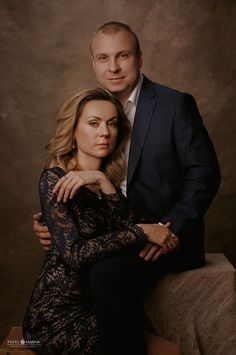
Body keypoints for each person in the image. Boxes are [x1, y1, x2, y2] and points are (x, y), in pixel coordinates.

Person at [33, 21, 221, 353]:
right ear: (93, 63)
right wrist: (54, 217)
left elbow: (204, 175)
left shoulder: (174, 105)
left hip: (166, 235)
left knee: (105, 273)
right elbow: (76, 183)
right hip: (117, 233)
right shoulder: (92, 110)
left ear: (139, 58)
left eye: (123, 56)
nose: (114, 67)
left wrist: (166, 229)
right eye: (103, 58)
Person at [23, 88, 179, 355]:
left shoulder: (107, 186)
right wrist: (141, 231)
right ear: (73, 130)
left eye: (112, 123)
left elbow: (135, 227)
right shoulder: (54, 180)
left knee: (171, 350)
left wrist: (102, 180)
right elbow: (75, 254)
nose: (104, 132)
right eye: (93, 123)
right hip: (54, 319)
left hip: (96, 308)